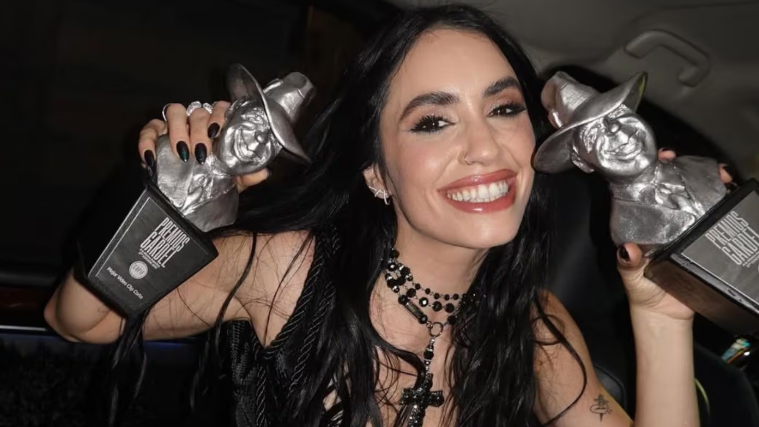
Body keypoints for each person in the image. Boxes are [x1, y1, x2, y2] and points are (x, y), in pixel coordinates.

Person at [44, 4, 732, 426]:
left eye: (503, 108)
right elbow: (80, 319)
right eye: (433, 121)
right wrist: (169, 204)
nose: (485, 148)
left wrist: (660, 311)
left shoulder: (534, 326)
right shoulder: (287, 270)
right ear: (375, 171)